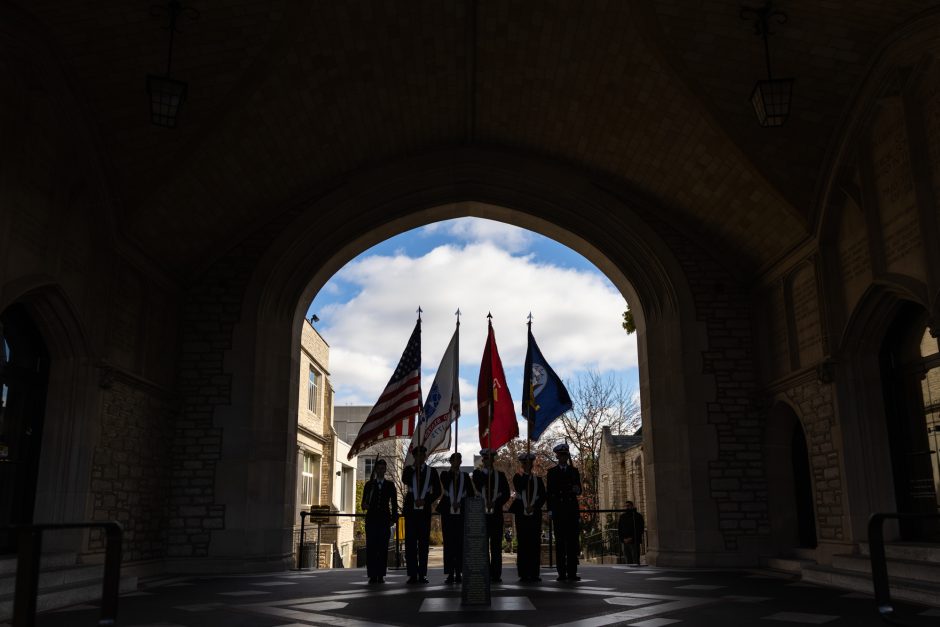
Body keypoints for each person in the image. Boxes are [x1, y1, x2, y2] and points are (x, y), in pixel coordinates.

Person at [401, 445, 441, 584]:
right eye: (417, 455)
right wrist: (414, 469)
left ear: (425, 457)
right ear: (414, 457)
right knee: (411, 543)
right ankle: (412, 574)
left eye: (422, 455)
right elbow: (404, 480)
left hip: (424, 510)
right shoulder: (408, 470)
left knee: (423, 544)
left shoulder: (432, 471)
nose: (420, 457)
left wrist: (426, 500)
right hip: (411, 510)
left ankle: (422, 574)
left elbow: (437, 491)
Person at [472, 448, 509, 583]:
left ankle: (496, 574)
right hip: (482, 516)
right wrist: (487, 473)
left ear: (493, 460)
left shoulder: (501, 475)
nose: (488, 460)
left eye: (490, 458)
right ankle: (485, 572)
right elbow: (478, 483)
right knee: (482, 547)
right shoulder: (478, 474)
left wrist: (496, 502)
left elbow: (505, 493)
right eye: (486, 458)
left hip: (496, 514)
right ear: (483, 460)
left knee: (496, 546)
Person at [546, 442, 582, 582]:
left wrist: (577, 489)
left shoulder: (574, 471)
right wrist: (550, 510)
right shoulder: (552, 472)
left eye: (565, 455)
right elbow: (549, 493)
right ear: (557, 456)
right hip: (559, 511)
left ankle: (572, 573)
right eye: (561, 456)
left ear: (567, 456)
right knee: (560, 544)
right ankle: (561, 573)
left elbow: (579, 490)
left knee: (572, 544)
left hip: (571, 511)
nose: (563, 458)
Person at [437, 451, 474, 584]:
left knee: (460, 543)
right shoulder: (445, 474)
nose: (457, 462)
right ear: (451, 462)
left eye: (459, 460)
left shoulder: (465, 476)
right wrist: (453, 472)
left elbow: (470, 493)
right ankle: (450, 573)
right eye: (455, 460)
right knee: (449, 543)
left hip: (461, 510)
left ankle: (459, 572)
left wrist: (461, 501)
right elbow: (446, 484)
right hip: (448, 510)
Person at [509, 451, 546, 582]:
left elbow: (542, 497)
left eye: (529, 463)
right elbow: (520, 488)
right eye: (525, 463)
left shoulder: (538, 480)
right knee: (523, 544)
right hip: (522, 515)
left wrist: (534, 506)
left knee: (534, 544)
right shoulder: (518, 478)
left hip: (534, 514)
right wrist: (527, 475)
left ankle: (535, 573)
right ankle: (523, 573)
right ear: (522, 465)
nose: (527, 465)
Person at [361, 458, 398, 583]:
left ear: (385, 470)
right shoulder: (369, 485)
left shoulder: (390, 485)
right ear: (376, 469)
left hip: (384, 520)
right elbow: (363, 504)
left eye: (383, 468)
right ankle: (372, 575)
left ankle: (381, 574)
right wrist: (365, 505)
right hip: (371, 520)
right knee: (371, 548)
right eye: (379, 468)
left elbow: (394, 503)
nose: (381, 470)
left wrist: (393, 518)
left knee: (382, 548)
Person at [618, 500, 645, 566]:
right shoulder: (622, 517)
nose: (627, 507)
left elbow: (640, 529)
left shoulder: (638, 516)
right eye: (625, 506)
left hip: (634, 541)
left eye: (628, 506)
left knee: (635, 559)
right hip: (625, 542)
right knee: (628, 560)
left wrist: (631, 538)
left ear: (632, 506)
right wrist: (623, 539)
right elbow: (620, 529)